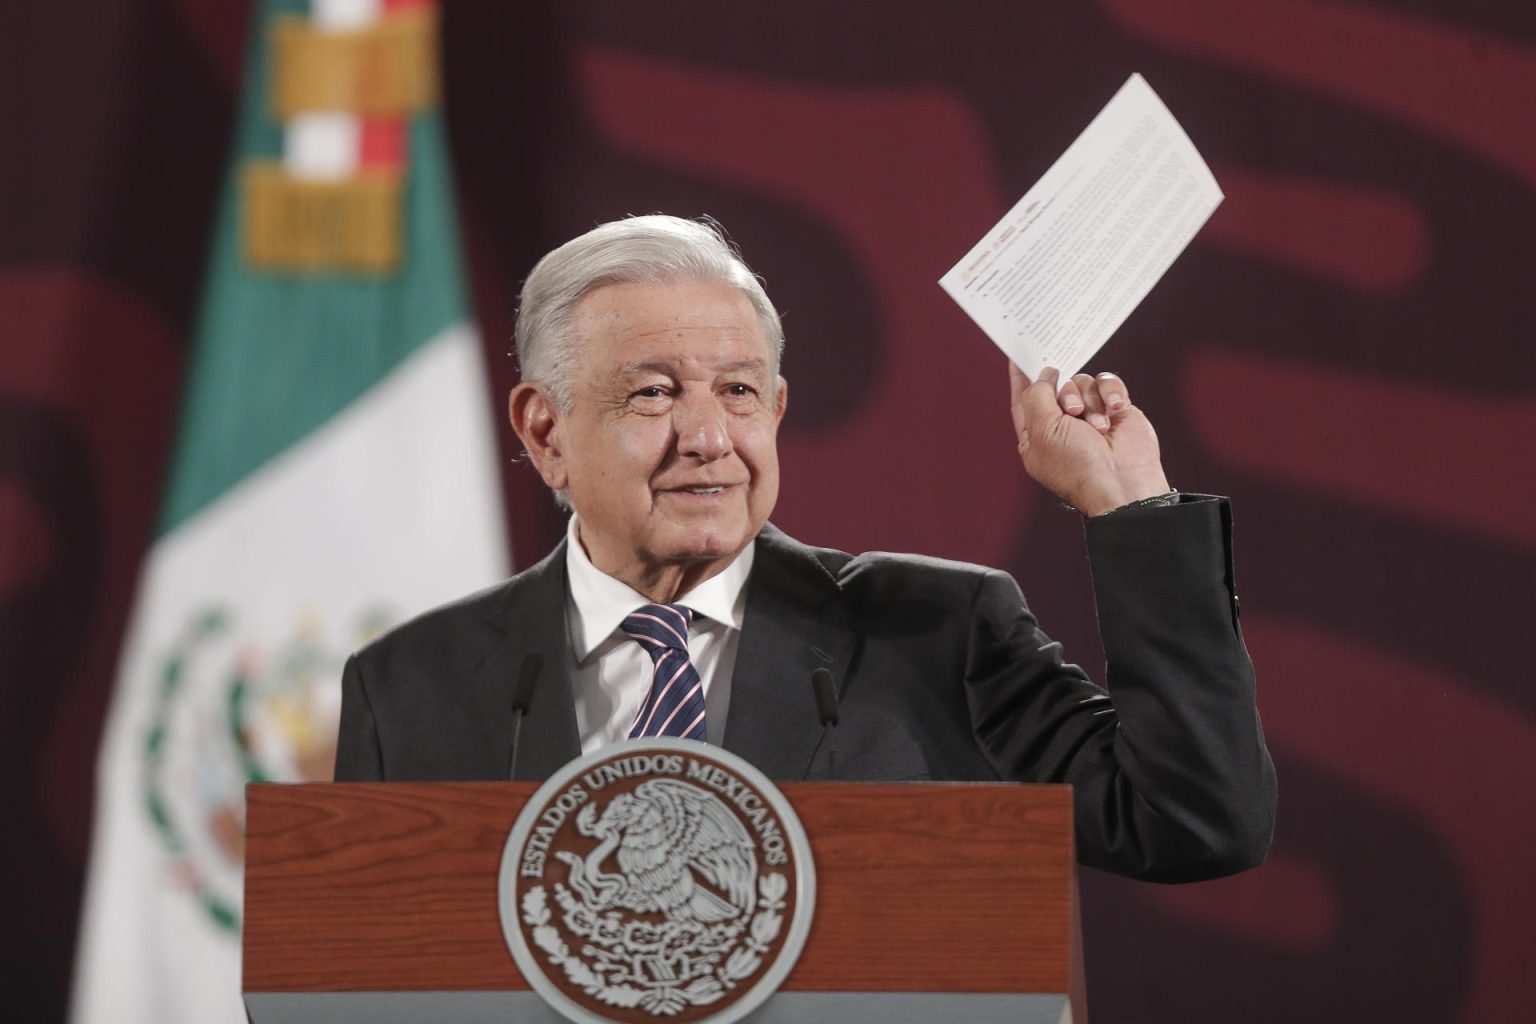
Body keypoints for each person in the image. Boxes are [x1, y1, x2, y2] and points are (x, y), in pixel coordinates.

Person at [334, 214, 1275, 882]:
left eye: (739, 393)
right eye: (655, 394)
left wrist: (1130, 509)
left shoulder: (939, 636)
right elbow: (350, 975)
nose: (708, 437)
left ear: (777, 413)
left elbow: (1194, 822)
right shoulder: (411, 685)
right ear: (546, 432)